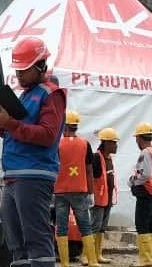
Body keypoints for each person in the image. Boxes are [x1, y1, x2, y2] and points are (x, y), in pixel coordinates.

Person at [0, 37, 66, 267]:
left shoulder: (50, 94)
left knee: (36, 240)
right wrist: (0, 124)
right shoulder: (26, 94)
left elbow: (47, 135)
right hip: (14, 175)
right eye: (17, 70)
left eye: (24, 69)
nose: (19, 75)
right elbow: (16, 133)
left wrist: (9, 123)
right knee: (16, 242)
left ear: (41, 65)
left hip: (34, 174)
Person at [55, 111, 101, 267]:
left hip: (60, 191)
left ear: (64, 126)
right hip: (79, 191)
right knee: (85, 226)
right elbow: (89, 170)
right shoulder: (85, 144)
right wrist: (91, 193)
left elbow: (53, 168)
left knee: (61, 227)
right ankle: (93, 261)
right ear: (76, 126)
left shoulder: (57, 144)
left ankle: (65, 264)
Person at [129, 122, 152, 267]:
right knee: (151, 225)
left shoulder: (145, 153)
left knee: (142, 225)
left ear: (139, 138)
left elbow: (145, 174)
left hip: (146, 192)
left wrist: (132, 181)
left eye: (136, 138)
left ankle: (145, 261)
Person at [87, 127, 119, 265]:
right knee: (94, 226)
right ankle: (87, 255)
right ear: (106, 143)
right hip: (98, 199)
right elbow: (89, 176)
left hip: (107, 199)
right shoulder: (95, 157)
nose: (116, 145)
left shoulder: (109, 159)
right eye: (114, 142)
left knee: (101, 228)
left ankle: (98, 254)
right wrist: (91, 195)